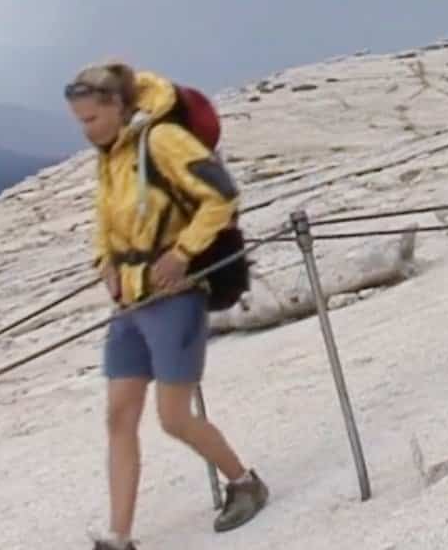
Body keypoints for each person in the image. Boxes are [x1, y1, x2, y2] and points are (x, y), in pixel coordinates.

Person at [65, 62, 268, 550]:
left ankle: (244, 483)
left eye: (92, 119)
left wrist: (182, 253)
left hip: (174, 298)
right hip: (130, 301)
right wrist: (103, 260)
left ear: (117, 106)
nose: (86, 130)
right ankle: (119, 536)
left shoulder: (161, 142)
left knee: (173, 417)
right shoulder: (111, 154)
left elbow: (222, 196)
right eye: (81, 121)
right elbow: (106, 216)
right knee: (119, 415)